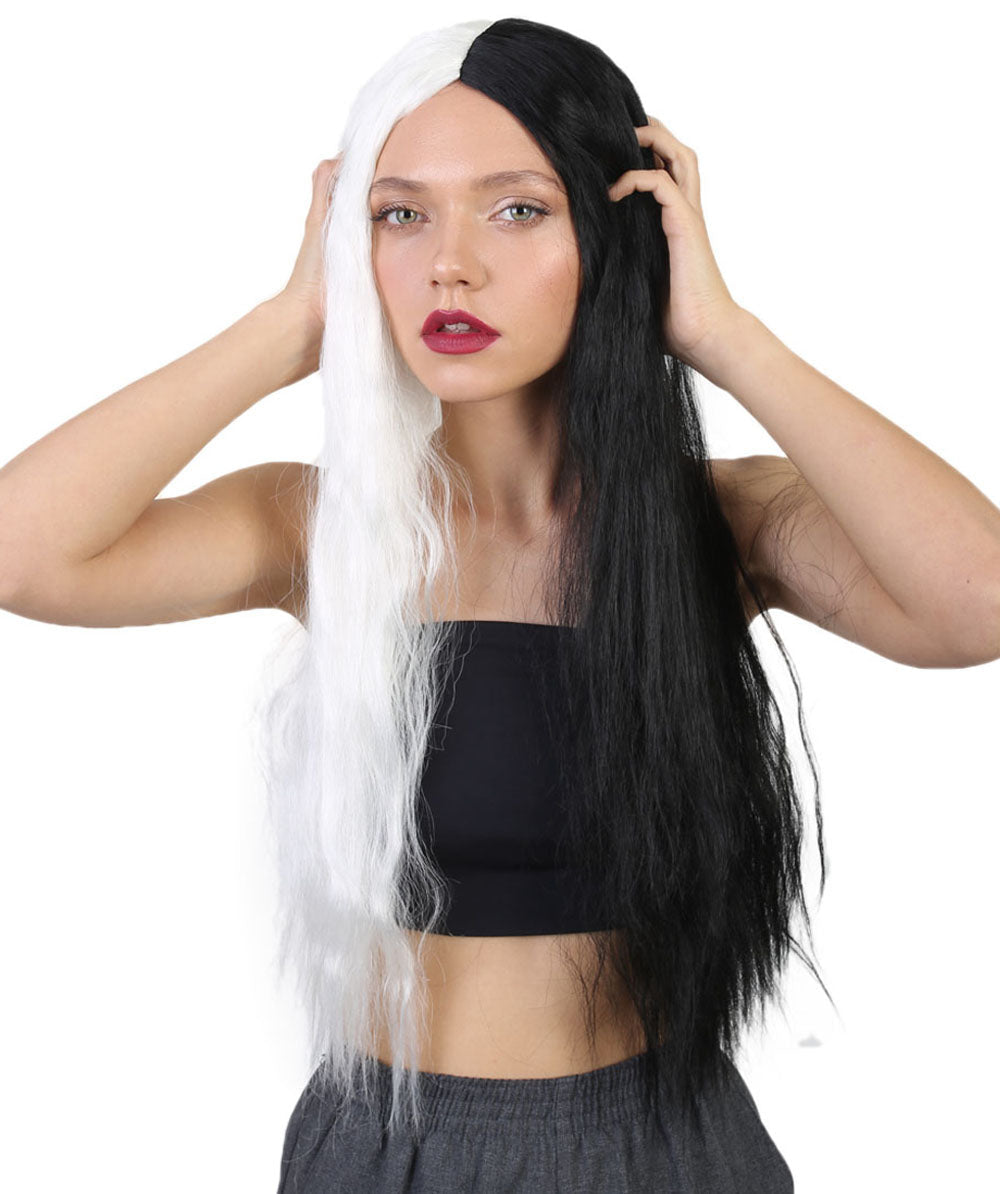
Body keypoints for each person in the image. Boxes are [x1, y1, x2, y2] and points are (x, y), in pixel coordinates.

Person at [1, 15, 998, 1193]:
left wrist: (724, 337)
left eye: (516, 209)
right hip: (385, 1147)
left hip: (656, 1148)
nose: (449, 265)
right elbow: (24, 555)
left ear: (617, 233)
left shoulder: (720, 522)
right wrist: (289, 326)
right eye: (399, 215)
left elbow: (974, 602)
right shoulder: (317, 527)